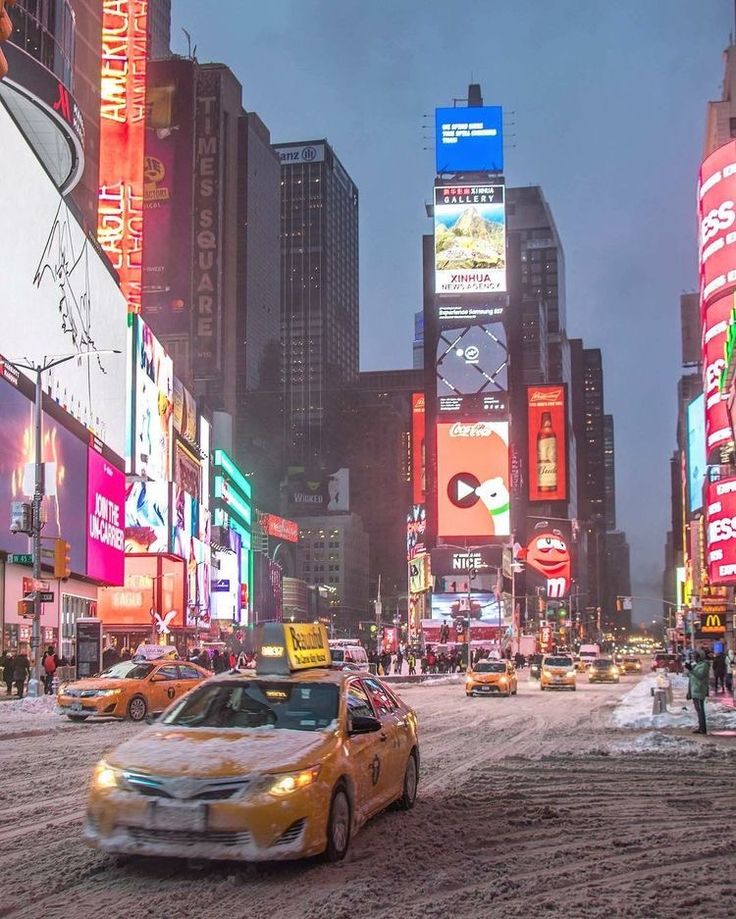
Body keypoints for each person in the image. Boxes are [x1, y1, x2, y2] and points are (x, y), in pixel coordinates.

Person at [685, 650, 710, 735]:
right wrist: (689, 669)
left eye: (695, 655)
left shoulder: (704, 665)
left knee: (700, 710)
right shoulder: (697, 665)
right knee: (698, 710)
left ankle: (703, 728)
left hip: (699, 690)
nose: (694, 657)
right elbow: (690, 675)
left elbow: (700, 675)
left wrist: (691, 669)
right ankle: (701, 727)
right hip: (695, 690)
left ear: (700, 657)